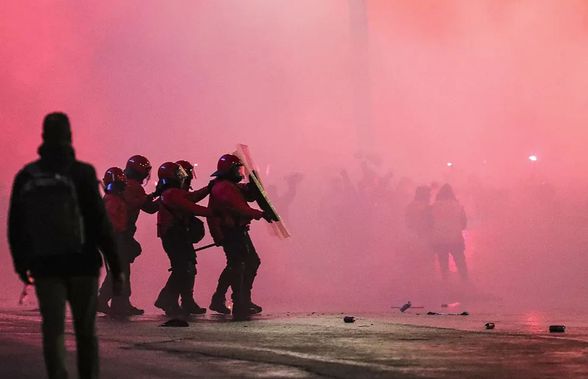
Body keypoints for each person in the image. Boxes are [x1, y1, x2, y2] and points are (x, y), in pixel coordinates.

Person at [8, 112, 122, 379]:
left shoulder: (27, 175)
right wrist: (116, 265)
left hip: (46, 265)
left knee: (54, 331)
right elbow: (100, 223)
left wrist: (22, 265)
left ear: (44, 137)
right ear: (70, 136)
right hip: (83, 264)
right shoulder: (83, 173)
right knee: (85, 333)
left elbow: (16, 226)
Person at [207, 154, 270, 319]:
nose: (239, 172)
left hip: (237, 230)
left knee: (243, 263)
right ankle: (239, 301)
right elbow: (238, 207)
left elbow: (248, 194)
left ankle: (230, 299)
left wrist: (254, 183)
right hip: (231, 231)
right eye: (237, 168)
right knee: (237, 265)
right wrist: (261, 214)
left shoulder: (229, 185)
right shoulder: (224, 187)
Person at [154, 162, 212, 316]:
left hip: (178, 234)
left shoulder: (171, 192)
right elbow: (191, 206)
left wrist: (208, 188)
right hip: (174, 235)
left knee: (187, 267)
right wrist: (214, 212)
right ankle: (167, 300)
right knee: (182, 268)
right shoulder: (171, 193)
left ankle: (183, 301)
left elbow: (191, 198)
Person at [112, 154, 158, 315]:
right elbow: (144, 206)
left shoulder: (125, 185)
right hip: (122, 232)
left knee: (120, 268)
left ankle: (114, 301)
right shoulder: (133, 186)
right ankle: (115, 302)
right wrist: (158, 195)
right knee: (122, 269)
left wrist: (157, 196)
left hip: (118, 232)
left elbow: (147, 206)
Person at [97, 167, 141, 317]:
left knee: (121, 271)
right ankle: (103, 300)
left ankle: (119, 304)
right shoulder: (112, 200)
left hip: (116, 238)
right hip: (115, 239)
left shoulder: (114, 198)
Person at [430, 184, 468, 281]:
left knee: (443, 264)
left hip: (439, 239)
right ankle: (465, 283)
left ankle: (446, 285)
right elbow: (464, 224)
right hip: (455, 238)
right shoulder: (458, 206)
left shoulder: (433, 207)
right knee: (460, 263)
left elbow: (429, 223)